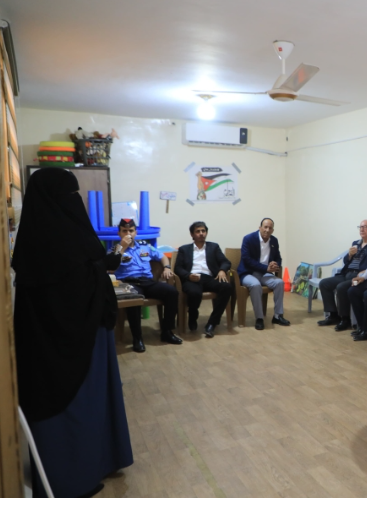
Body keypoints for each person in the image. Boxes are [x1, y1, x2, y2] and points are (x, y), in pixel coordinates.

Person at [13, 168, 133, 497]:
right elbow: (73, 284)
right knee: (80, 406)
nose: (75, 201)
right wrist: (100, 267)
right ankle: (72, 478)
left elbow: (86, 269)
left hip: (73, 335)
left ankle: (98, 461)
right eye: (70, 195)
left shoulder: (35, 238)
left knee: (92, 404)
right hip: (74, 339)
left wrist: (103, 264)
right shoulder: (60, 240)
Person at [109, 218, 182, 352]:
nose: (128, 233)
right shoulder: (115, 249)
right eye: (124, 231)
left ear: (135, 232)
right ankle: (137, 338)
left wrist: (166, 267)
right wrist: (122, 248)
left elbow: (162, 256)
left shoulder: (145, 246)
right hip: (128, 282)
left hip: (148, 282)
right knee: (133, 298)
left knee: (172, 292)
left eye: (131, 230)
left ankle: (167, 332)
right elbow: (109, 265)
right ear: (119, 233)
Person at [317, 219, 367, 331]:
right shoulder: (356, 243)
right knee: (324, 283)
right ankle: (333, 315)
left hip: (360, 276)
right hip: (347, 273)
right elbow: (346, 262)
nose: (362, 229)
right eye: (360, 227)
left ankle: (345, 319)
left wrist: (365, 272)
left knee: (341, 287)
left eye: (366, 227)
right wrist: (350, 255)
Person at [174, 221, 234, 338]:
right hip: (192, 278)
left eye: (203, 231)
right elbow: (178, 268)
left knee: (227, 287)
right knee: (194, 293)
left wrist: (222, 270)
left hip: (209, 278)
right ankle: (193, 314)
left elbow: (225, 262)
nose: (201, 233)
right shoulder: (184, 249)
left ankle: (212, 323)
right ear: (192, 234)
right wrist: (188, 276)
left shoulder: (213, 247)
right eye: (198, 231)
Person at [238, 218, 290, 331]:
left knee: (280, 283)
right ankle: (259, 318)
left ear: (272, 230)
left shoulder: (274, 241)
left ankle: (278, 316)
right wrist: (266, 268)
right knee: (255, 285)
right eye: (265, 227)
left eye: (270, 228)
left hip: (265, 274)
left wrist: (275, 264)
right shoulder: (248, 238)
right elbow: (246, 259)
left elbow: (278, 258)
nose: (267, 230)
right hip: (248, 273)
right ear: (260, 228)